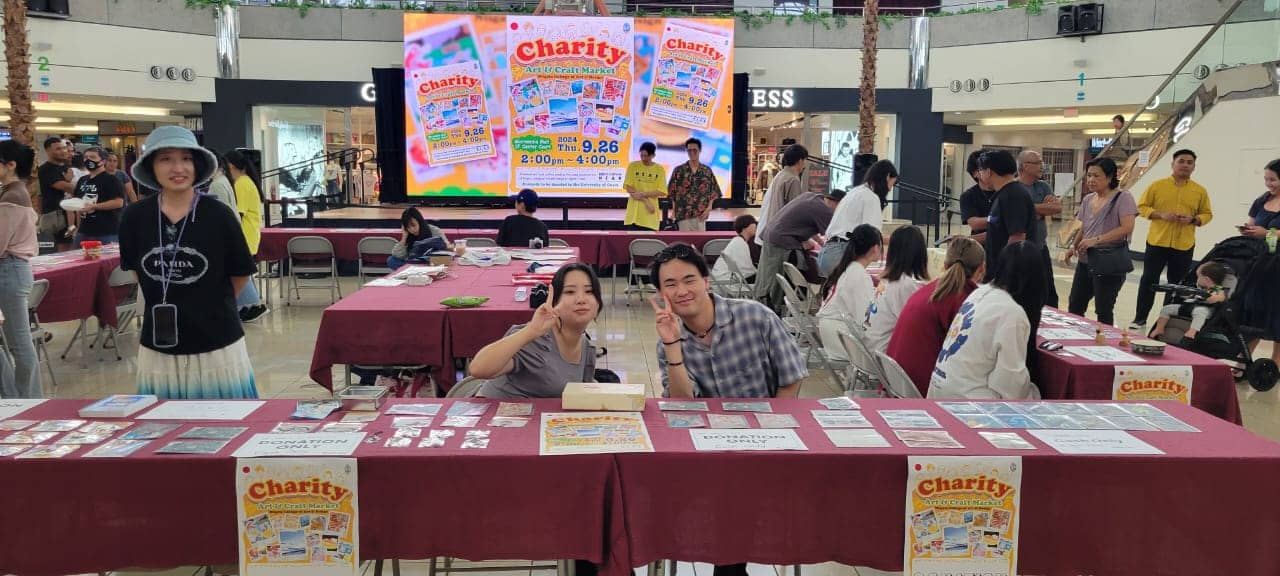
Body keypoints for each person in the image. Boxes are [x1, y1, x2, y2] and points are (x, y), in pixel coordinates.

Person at [118, 126, 258, 399]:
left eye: (186, 158)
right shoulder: (135, 217)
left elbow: (240, 274)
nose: (177, 168)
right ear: (151, 167)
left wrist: (207, 305)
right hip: (159, 343)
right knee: (162, 426)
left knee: (225, 423)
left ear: (198, 164)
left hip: (217, 341)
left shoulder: (219, 215)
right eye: (166, 159)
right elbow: (139, 270)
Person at [651, 243, 808, 400]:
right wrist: (672, 346)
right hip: (708, 422)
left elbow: (791, 378)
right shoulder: (667, 343)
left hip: (765, 420)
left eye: (689, 280)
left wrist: (774, 421)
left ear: (706, 282)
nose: (682, 291)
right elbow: (682, 403)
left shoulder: (756, 317)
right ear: (660, 293)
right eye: (671, 284)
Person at [929, 241, 1045, 400]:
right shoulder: (1012, 313)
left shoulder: (979, 292)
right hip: (968, 402)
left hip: (940, 390)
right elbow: (1011, 385)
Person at [472, 263, 602, 397]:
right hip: (492, 413)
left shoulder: (586, 346)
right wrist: (531, 331)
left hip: (539, 417)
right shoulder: (537, 340)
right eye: (570, 292)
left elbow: (582, 395)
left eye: (589, 291)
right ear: (554, 302)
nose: (581, 299)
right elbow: (478, 369)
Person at [886, 236, 986, 394]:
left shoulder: (929, 290)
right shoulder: (965, 301)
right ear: (982, 269)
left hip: (897, 381)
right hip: (920, 387)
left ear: (945, 265)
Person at [1131, 149, 1213, 331]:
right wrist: (1160, 215)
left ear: (1194, 167)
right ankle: (1140, 318)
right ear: (1173, 164)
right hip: (1157, 242)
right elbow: (1142, 207)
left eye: (1189, 162)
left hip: (1183, 244)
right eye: (1181, 161)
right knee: (1148, 281)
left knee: (1176, 285)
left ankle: (1165, 319)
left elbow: (1207, 214)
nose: (1185, 165)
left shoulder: (1199, 191)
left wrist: (1193, 219)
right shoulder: (1157, 186)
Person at [1064, 157, 1138, 327]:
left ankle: (1105, 343)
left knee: (1103, 309)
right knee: (1075, 304)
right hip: (1085, 261)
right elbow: (1084, 227)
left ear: (1110, 177)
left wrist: (1096, 241)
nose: (1091, 180)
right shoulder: (1088, 199)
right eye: (1089, 175)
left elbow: (1127, 227)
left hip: (1108, 261)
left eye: (1096, 176)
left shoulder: (1123, 198)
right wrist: (1074, 246)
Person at [755, 189, 842, 312]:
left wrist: (819, 242)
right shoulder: (824, 210)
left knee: (767, 277)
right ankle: (776, 309)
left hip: (772, 235)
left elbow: (806, 223)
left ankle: (768, 307)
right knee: (776, 282)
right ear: (836, 203)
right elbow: (835, 235)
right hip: (782, 242)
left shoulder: (811, 196)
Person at [0, 139, 41, 398]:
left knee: (19, 342)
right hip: (13, 269)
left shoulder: (13, 196)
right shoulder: (14, 192)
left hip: (10, 270)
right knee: (15, 341)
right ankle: (13, 397)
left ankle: (28, 401)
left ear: (11, 165)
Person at [819, 159, 898, 277]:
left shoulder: (855, 192)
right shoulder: (871, 198)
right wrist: (898, 240)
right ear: (887, 177)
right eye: (893, 183)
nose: (891, 189)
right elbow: (874, 236)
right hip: (840, 255)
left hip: (827, 254)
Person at [815, 224, 882, 362]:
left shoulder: (849, 267)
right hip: (840, 338)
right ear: (875, 248)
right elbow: (865, 320)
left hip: (831, 333)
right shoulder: (858, 274)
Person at [1240, 159, 1280, 371]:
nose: (1268, 184)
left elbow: (1268, 232)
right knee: (1253, 309)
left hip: (1278, 265)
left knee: (1277, 311)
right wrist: (1248, 230)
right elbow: (1252, 223)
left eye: (1273, 179)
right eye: (1266, 179)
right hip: (1259, 262)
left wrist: (1269, 233)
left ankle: (1275, 364)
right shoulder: (1261, 200)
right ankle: (1245, 358)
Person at [864, 225, 929, 354]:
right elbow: (917, 327)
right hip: (883, 357)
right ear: (920, 253)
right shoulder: (905, 285)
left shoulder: (889, 280)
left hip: (870, 350)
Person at [224, 149, 269, 323]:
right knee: (242, 271)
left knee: (240, 271)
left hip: (244, 235)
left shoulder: (241, 184)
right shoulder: (247, 181)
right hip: (250, 234)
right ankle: (248, 305)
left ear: (232, 166)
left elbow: (238, 214)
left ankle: (254, 305)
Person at [978, 150, 1035, 281]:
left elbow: (1017, 236)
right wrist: (968, 239)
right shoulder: (1003, 194)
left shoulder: (1013, 196)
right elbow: (999, 232)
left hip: (1008, 275)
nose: (979, 175)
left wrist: (1004, 273)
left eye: (980, 170)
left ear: (988, 171)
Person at [1017, 150, 1062, 307]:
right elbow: (1019, 212)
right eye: (1037, 163)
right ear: (1025, 166)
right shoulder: (1015, 188)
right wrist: (1042, 208)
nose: (1041, 166)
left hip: (1041, 248)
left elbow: (1057, 208)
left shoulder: (1043, 186)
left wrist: (1032, 209)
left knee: (1049, 291)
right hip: (1020, 250)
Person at [1150, 261, 1228, 341]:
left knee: (1200, 312)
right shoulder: (1196, 286)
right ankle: (1159, 328)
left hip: (1206, 309)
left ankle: (1192, 332)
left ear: (1206, 279)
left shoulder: (1218, 289)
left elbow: (1221, 298)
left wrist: (1211, 297)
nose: (1197, 279)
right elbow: (1188, 295)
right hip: (1188, 306)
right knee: (1166, 308)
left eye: (1198, 277)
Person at [71, 146, 126, 246]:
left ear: (103, 161)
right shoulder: (82, 180)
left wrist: (95, 206)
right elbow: (79, 205)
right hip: (84, 231)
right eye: (86, 157)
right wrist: (78, 228)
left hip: (106, 232)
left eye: (92, 157)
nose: (88, 160)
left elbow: (118, 202)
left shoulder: (111, 180)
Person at [755, 144, 808, 245]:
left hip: (769, 233)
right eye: (804, 161)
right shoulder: (792, 179)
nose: (804, 166)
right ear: (800, 161)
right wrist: (804, 239)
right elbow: (795, 212)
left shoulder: (780, 176)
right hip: (781, 238)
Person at [667, 137, 721, 231]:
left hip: (701, 214)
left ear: (700, 150)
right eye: (689, 150)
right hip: (683, 214)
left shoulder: (706, 170)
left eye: (694, 150)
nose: (692, 153)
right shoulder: (679, 170)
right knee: (684, 243)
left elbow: (714, 191)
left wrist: (708, 209)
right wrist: (674, 212)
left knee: (699, 243)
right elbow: (672, 192)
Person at [36, 137, 74, 248]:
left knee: (70, 247)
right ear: (48, 151)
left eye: (63, 148)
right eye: (58, 149)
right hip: (55, 216)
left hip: (69, 214)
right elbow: (66, 187)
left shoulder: (65, 167)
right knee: (62, 249)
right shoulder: (46, 170)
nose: (62, 151)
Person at [622, 142, 666, 231]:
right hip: (634, 216)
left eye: (646, 156)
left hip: (650, 216)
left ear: (653, 155)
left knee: (649, 244)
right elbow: (629, 187)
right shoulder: (633, 166)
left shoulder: (659, 169)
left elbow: (661, 191)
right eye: (642, 155)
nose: (643, 158)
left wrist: (642, 194)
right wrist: (645, 200)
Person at [710, 214, 760, 284]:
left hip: (723, 278)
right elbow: (746, 270)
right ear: (745, 227)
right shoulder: (739, 243)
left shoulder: (738, 241)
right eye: (753, 223)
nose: (756, 225)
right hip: (727, 280)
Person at [958, 150, 993, 243]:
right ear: (975, 173)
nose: (991, 172)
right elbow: (975, 223)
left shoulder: (1005, 191)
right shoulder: (968, 196)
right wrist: (1000, 219)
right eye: (986, 168)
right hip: (979, 247)